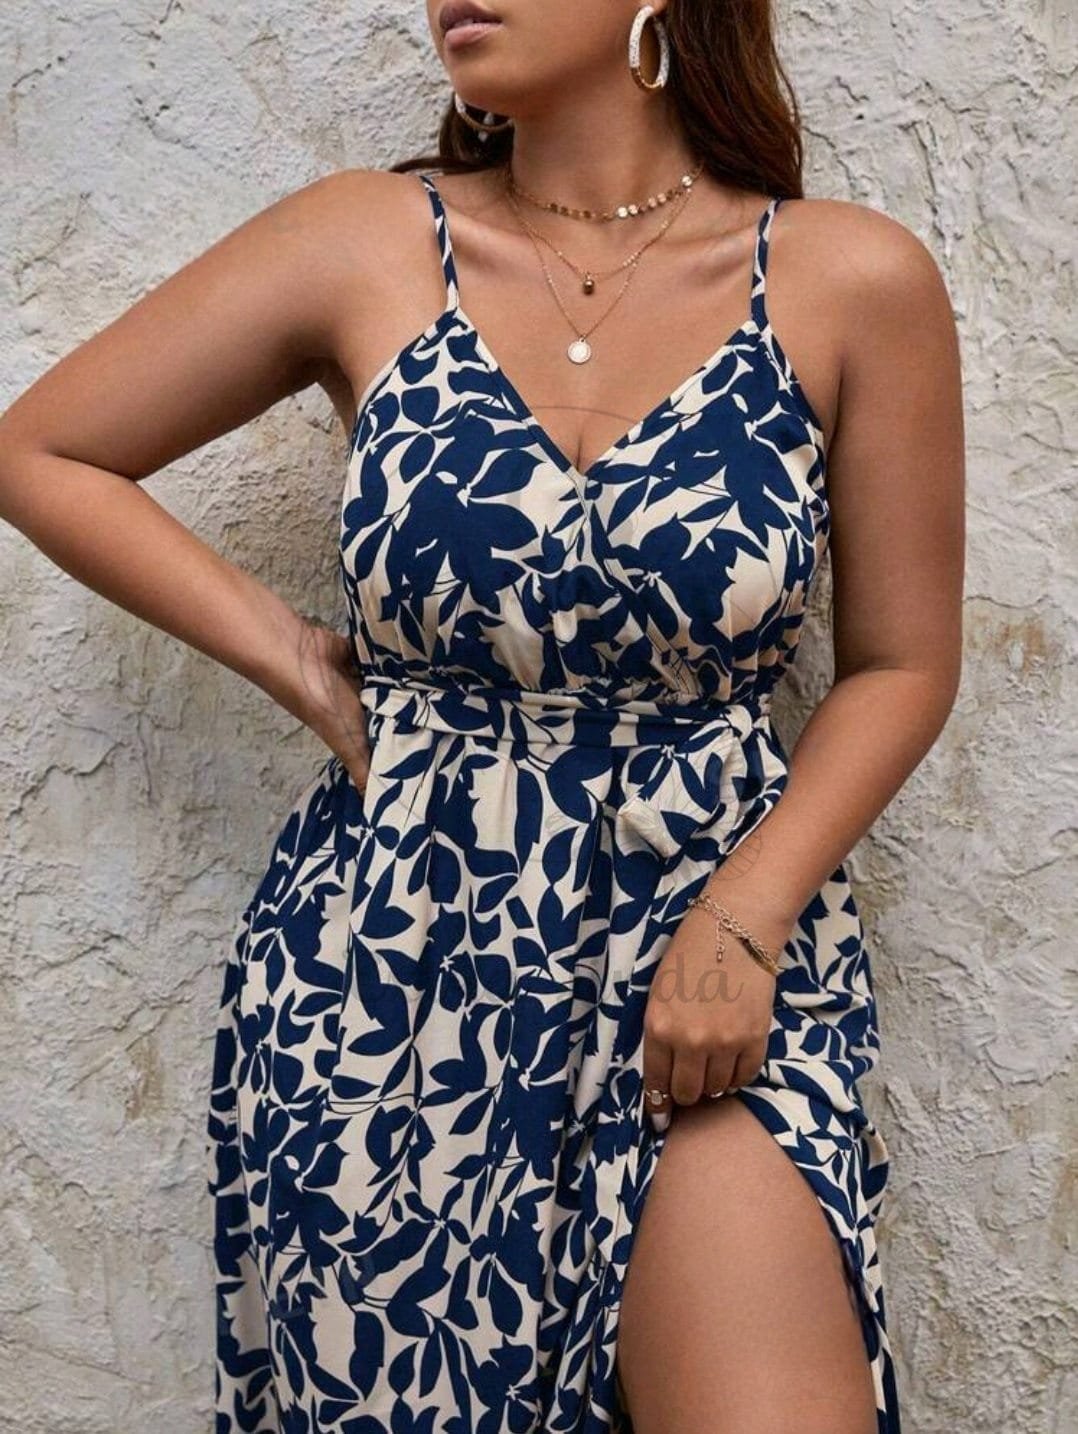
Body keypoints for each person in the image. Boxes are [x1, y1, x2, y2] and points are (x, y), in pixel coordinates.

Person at [0, 1, 965, 1431]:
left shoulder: (846, 278)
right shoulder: (366, 240)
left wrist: (746, 915)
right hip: (393, 964)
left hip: (705, 947)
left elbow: (900, 662)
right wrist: (299, 661)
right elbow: (45, 448)